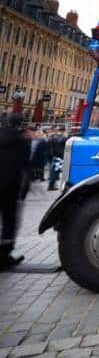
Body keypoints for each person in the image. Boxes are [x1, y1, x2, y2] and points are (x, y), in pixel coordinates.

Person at [0, 113, 30, 269]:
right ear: (20, 124)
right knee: (9, 222)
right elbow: (25, 166)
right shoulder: (22, 141)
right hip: (11, 187)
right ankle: (4, 255)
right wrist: (24, 189)